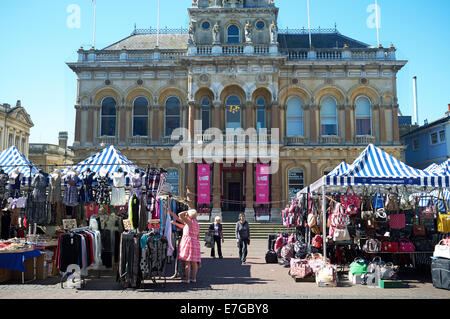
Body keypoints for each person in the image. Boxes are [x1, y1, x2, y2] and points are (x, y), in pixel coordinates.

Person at [177, 209, 201, 283]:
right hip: (195, 242)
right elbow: (198, 235)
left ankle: (187, 278)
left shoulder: (189, 221)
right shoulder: (197, 224)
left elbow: (179, 214)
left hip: (188, 242)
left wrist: (186, 211)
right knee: (194, 262)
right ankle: (193, 278)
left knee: (187, 262)